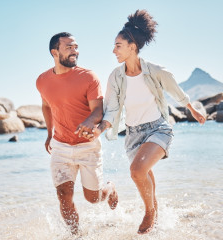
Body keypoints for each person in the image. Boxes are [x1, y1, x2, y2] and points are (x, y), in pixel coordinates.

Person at [84, 10, 206, 234]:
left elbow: (176, 91)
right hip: (133, 135)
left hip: (158, 128)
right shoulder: (116, 76)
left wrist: (193, 110)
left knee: (137, 170)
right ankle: (156, 211)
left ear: (132, 46)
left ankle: (149, 212)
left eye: (118, 45)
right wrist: (100, 128)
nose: (114, 50)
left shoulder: (155, 71)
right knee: (145, 173)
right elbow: (110, 110)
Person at [36, 32, 118, 234]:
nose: (75, 51)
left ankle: (110, 188)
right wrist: (49, 134)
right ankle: (76, 235)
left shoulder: (88, 77)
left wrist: (88, 122)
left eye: (76, 47)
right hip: (60, 146)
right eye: (69, 47)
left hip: (87, 145)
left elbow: (98, 110)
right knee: (64, 194)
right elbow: (46, 106)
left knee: (93, 198)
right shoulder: (42, 80)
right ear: (54, 52)